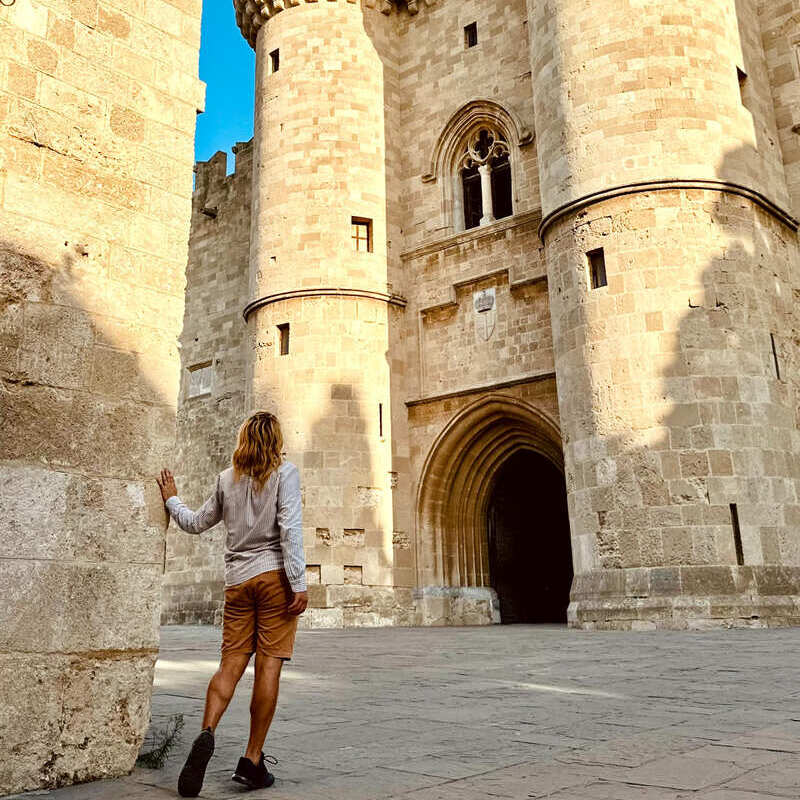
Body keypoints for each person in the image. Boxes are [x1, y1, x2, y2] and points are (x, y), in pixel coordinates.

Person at [156, 411, 307, 797]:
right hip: (274, 579)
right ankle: (252, 759)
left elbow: (195, 522)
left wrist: (171, 499)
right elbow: (289, 530)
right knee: (268, 666)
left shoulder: (227, 479)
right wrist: (299, 584)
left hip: (237, 583)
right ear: (276, 440)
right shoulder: (284, 474)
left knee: (230, 665)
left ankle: (207, 731)